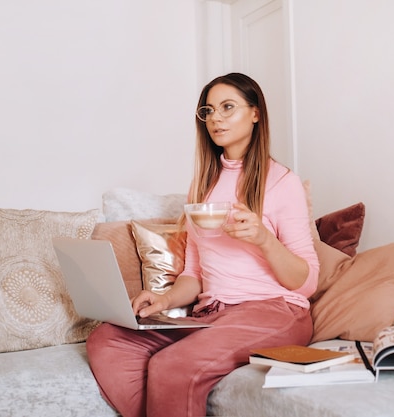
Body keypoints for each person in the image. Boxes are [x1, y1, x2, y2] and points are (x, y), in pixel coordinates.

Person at [85, 72, 320, 417]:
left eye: (228, 107)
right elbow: (194, 273)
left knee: (172, 365)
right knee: (107, 341)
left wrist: (263, 240)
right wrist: (164, 299)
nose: (216, 118)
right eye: (208, 111)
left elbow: (308, 281)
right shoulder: (204, 185)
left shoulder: (283, 182)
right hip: (212, 314)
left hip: (273, 311)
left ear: (256, 113)